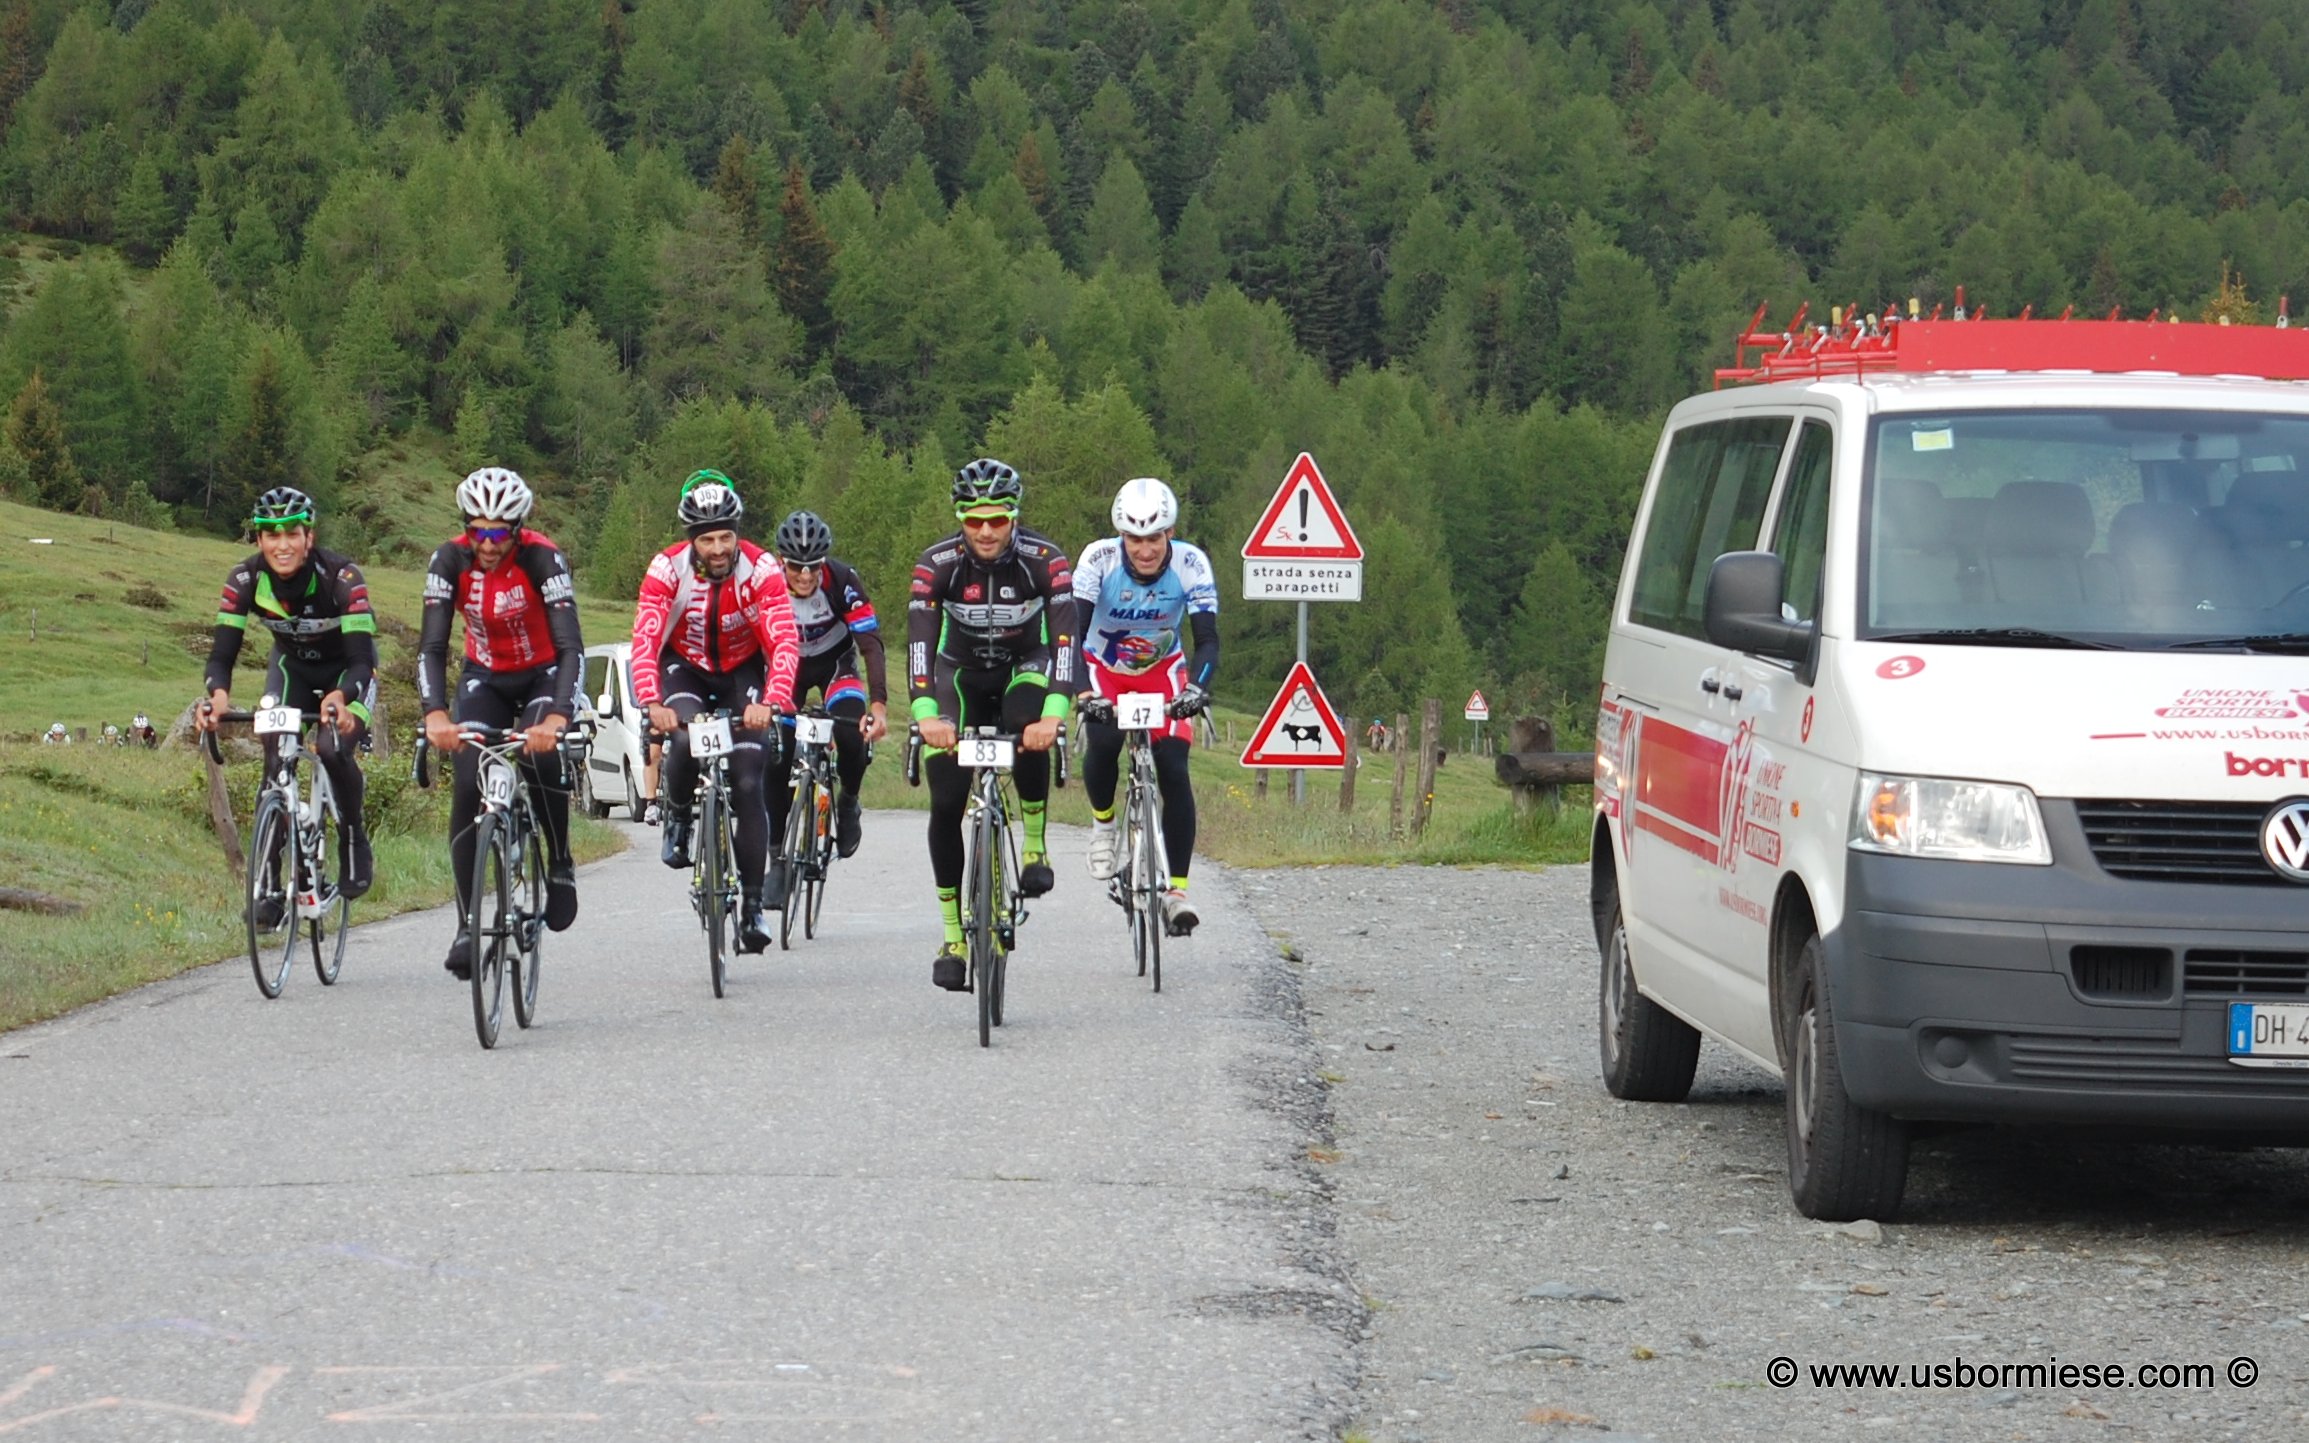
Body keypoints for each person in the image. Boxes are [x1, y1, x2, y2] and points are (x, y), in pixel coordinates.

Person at [909, 458, 1077, 992]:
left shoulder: (1045, 561)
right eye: (975, 520)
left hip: (1023, 667)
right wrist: (926, 716)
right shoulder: (937, 563)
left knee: (1026, 723)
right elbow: (919, 646)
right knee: (945, 801)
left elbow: (1065, 644)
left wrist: (1054, 716)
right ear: (960, 517)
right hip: (957, 675)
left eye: (998, 519)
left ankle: (1034, 845)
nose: (986, 531)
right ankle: (952, 937)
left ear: (1014, 516)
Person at [417, 467, 585, 980]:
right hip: (484, 676)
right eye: (477, 531)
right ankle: (467, 926)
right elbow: (432, 646)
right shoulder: (449, 560)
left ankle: (559, 860)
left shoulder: (542, 559)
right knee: (467, 781)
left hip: (544, 673)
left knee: (540, 756)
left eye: (498, 532)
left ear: (517, 528)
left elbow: (571, 647)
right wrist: (434, 713)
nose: (487, 544)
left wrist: (557, 716)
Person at [630, 471, 800, 951]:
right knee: (685, 738)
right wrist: (651, 701)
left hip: (742, 673)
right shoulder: (666, 569)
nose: (719, 548)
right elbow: (645, 639)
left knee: (747, 783)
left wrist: (772, 700)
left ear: (737, 533)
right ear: (692, 539)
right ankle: (679, 815)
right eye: (707, 539)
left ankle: (752, 908)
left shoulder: (762, 568)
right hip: (683, 667)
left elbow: (784, 640)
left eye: (726, 536)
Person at [196, 487, 379, 910]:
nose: (283, 545)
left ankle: (353, 837)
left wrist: (342, 697)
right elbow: (221, 655)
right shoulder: (244, 579)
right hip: (292, 669)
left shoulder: (342, 577)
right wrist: (218, 698)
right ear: (259, 539)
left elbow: (360, 661)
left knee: (332, 749)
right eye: (271, 535)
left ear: (308, 537)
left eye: (292, 534)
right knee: (276, 758)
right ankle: (269, 885)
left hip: (347, 674)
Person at [1072, 477, 1218, 936]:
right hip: (1105, 669)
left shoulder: (1192, 564)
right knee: (1103, 742)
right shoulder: (1098, 560)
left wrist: (1196, 688)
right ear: (1121, 536)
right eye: (1134, 539)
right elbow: (1070, 637)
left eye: (1154, 538)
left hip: (1162, 672)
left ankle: (1176, 891)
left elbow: (1208, 640)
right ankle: (1103, 826)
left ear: (1170, 533)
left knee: (1173, 767)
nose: (1145, 549)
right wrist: (1084, 694)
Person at [767, 509, 888, 864]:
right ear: (781, 560)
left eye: (814, 566)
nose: (806, 575)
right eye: (796, 566)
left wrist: (878, 706)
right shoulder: (767, 582)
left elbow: (870, 644)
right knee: (775, 754)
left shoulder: (842, 579)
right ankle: (775, 853)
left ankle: (848, 802)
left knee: (850, 737)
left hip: (835, 664)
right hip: (786, 668)